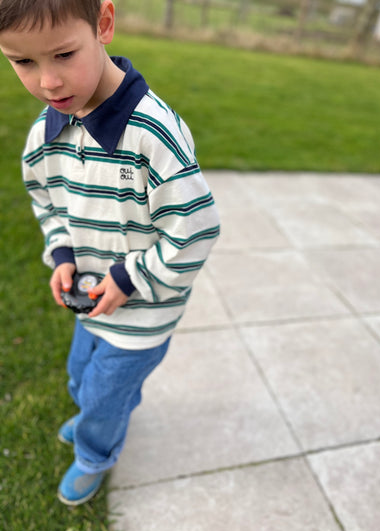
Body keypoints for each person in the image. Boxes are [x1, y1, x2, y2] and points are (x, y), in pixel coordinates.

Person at [0, 0, 220, 505]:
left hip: (143, 312)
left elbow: (197, 229)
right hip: (92, 301)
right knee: (82, 377)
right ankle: (103, 410)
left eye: (62, 54)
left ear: (103, 23)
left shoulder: (152, 133)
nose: (49, 83)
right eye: (23, 62)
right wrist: (62, 253)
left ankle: (95, 453)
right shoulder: (46, 133)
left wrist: (130, 278)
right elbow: (47, 200)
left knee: (102, 393)